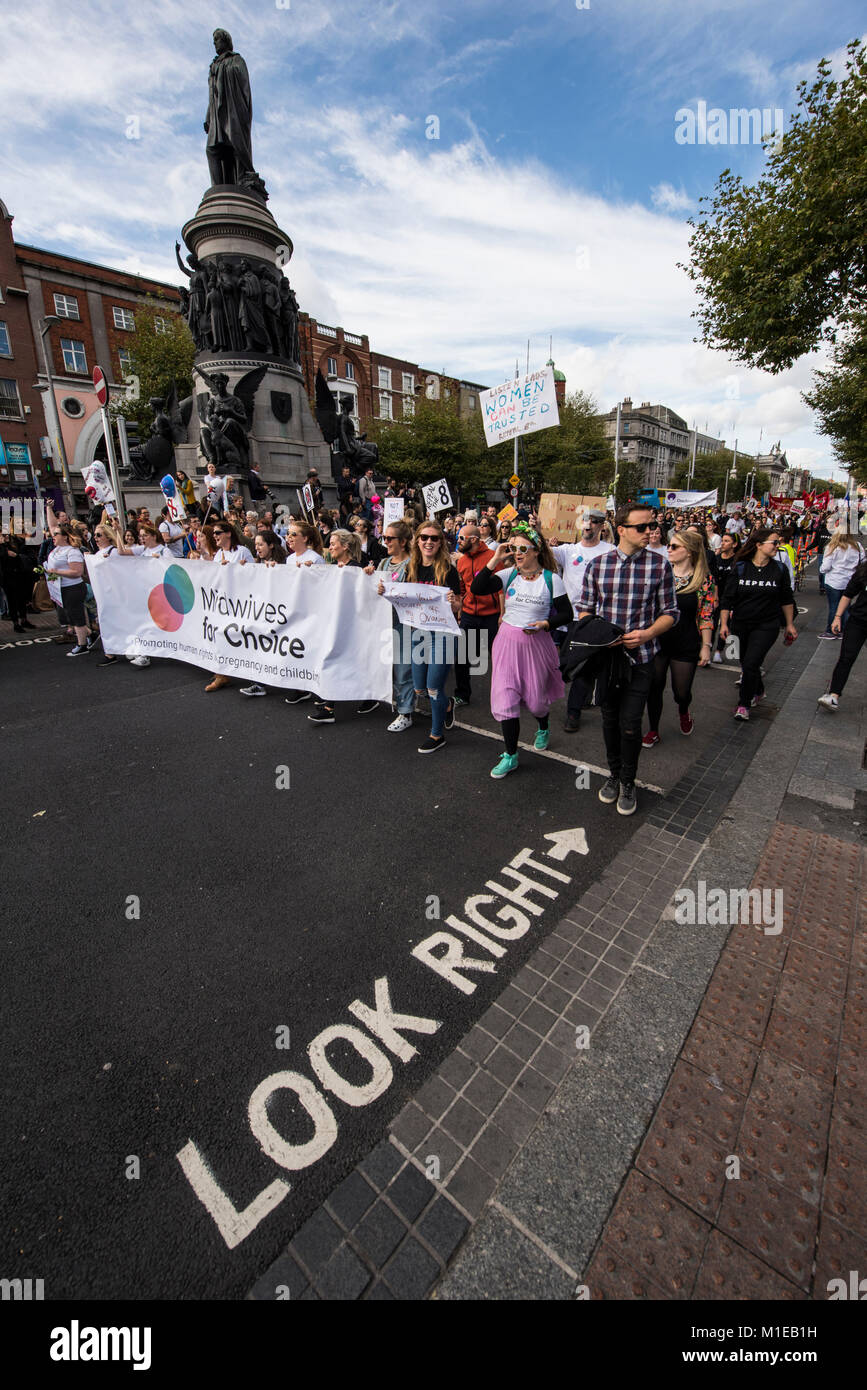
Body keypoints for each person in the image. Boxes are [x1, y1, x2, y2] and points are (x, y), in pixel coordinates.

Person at [576, 503, 679, 815]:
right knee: (609, 719)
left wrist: (647, 634)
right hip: (607, 660)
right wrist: (598, 636)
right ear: (621, 530)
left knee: (631, 724)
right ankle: (614, 774)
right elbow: (585, 610)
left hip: (642, 657)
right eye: (642, 527)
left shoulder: (660, 566)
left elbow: (671, 613)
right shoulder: (597, 566)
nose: (651, 531)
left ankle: (629, 781)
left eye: (652, 526)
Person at [470, 523, 570, 778]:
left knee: (536, 702)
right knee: (506, 700)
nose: (517, 552)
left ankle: (543, 725)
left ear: (536, 550)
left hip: (536, 646)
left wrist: (546, 624)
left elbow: (567, 614)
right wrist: (495, 559)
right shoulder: (508, 575)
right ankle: (511, 755)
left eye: (522, 548)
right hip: (506, 644)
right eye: (513, 547)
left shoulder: (551, 579)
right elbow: (478, 588)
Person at [382, 520, 462, 753]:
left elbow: (458, 606)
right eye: (424, 537)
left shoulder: (448, 569)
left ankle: (437, 735)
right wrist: (384, 591)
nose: (429, 542)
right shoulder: (410, 568)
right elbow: (402, 599)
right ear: (417, 540)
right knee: (419, 689)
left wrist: (455, 602)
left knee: (434, 687)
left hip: (442, 635)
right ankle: (447, 705)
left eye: (434, 538)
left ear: (441, 542)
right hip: (417, 632)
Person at [642, 530, 717, 746]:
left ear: (690, 552)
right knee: (654, 686)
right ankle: (653, 729)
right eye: (669, 545)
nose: (669, 549)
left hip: (686, 642)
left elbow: (706, 615)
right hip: (658, 640)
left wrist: (706, 645)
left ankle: (684, 711)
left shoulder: (703, 580)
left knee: (681, 692)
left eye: (675, 547)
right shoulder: (660, 574)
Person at [718, 529, 797, 721]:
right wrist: (724, 624)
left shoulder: (779, 569)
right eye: (773, 542)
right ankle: (758, 689)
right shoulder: (741, 567)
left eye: (778, 543)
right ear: (759, 545)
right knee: (745, 663)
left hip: (767, 625)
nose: (777, 546)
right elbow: (727, 598)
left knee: (752, 662)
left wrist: (789, 624)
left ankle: (743, 704)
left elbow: (786, 599)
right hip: (740, 624)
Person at [549, 510, 616, 732]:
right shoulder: (568, 551)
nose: (589, 525)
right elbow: (542, 552)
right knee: (561, 663)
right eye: (586, 521)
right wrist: (537, 527)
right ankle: (579, 698)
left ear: (602, 527)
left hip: (594, 620)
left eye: (595, 522)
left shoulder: (610, 551)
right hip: (568, 617)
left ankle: (573, 712)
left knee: (583, 667)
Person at [306, 530, 380, 724]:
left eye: (333, 543)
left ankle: (341, 702)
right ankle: (331, 703)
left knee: (346, 660)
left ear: (345, 546)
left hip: (353, 623)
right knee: (335, 659)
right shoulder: (331, 567)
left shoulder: (356, 567)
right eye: (329, 544)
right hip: (335, 622)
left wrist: (364, 574)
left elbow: (364, 595)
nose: (329, 547)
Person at [453, 521, 505, 708]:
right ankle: (462, 694)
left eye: (461, 538)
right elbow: (461, 588)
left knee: (499, 658)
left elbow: (501, 589)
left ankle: (505, 695)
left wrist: (501, 615)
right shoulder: (461, 560)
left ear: (473, 539)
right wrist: (459, 613)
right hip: (468, 615)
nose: (457, 541)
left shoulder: (493, 557)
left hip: (491, 616)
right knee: (462, 658)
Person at [372, 519, 415, 731]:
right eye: (384, 537)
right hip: (384, 623)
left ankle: (406, 713)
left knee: (403, 670)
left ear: (404, 541)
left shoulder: (412, 564)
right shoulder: (383, 564)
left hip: (405, 625)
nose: (385, 541)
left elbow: (414, 594)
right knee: (391, 668)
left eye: (390, 538)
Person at [818, 559, 867, 711]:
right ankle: (833, 695)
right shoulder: (864, 571)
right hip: (858, 621)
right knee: (846, 658)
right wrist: (837, 617)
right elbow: (848, 595)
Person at [44, 524, 97, 656]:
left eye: (56, 534)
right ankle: (90, 634)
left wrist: (57, 571)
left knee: (77, 617)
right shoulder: (56, 550)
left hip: (73, 588)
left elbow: (77, 572)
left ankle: (82, 645)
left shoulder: (72, 551)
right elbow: (51, 524)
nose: (53, 536)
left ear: (65, 537)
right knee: (71, 617)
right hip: (60, 588)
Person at [819, 531, 864, 638]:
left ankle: (831, 630)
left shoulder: (832, 546)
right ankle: (844, 630)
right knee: (846, 606)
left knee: (834, 606)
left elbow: (825, 566)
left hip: (834, 580)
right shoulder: (857, 546)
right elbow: (863, 561)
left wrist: (821, 570)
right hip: (849, 580)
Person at [0, 534, 34, 633]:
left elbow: (21, 551)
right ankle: (16, 624)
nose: (5, 536)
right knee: (12, 601)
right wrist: (2, 545)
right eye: (2, 535)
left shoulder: (13, 542)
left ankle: (24, 620)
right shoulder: (2, 548)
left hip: (20, 575)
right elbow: (3, 556)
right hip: (7, 578)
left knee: (22, 599)